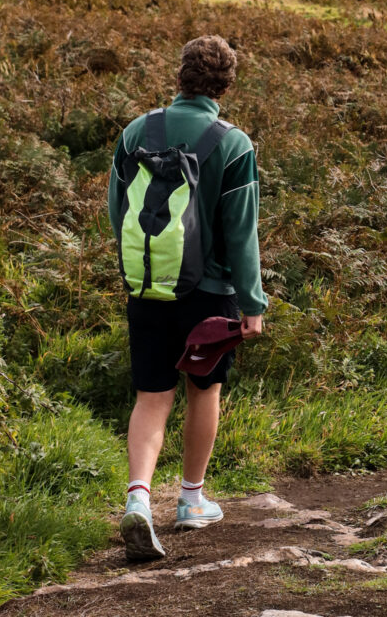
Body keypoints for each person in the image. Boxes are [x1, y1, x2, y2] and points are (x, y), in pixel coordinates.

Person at [107, 35, 267, 561]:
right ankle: (192, 501)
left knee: (151, 396)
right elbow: (241, 233)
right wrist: (252, 304)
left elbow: (117, 212)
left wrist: (139, 270)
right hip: (209, 291)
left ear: (180, 75)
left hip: (148, 283)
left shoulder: (137, 132)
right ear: (226, 84)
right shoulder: (234, 143)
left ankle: (138, 499)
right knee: (204, 390)